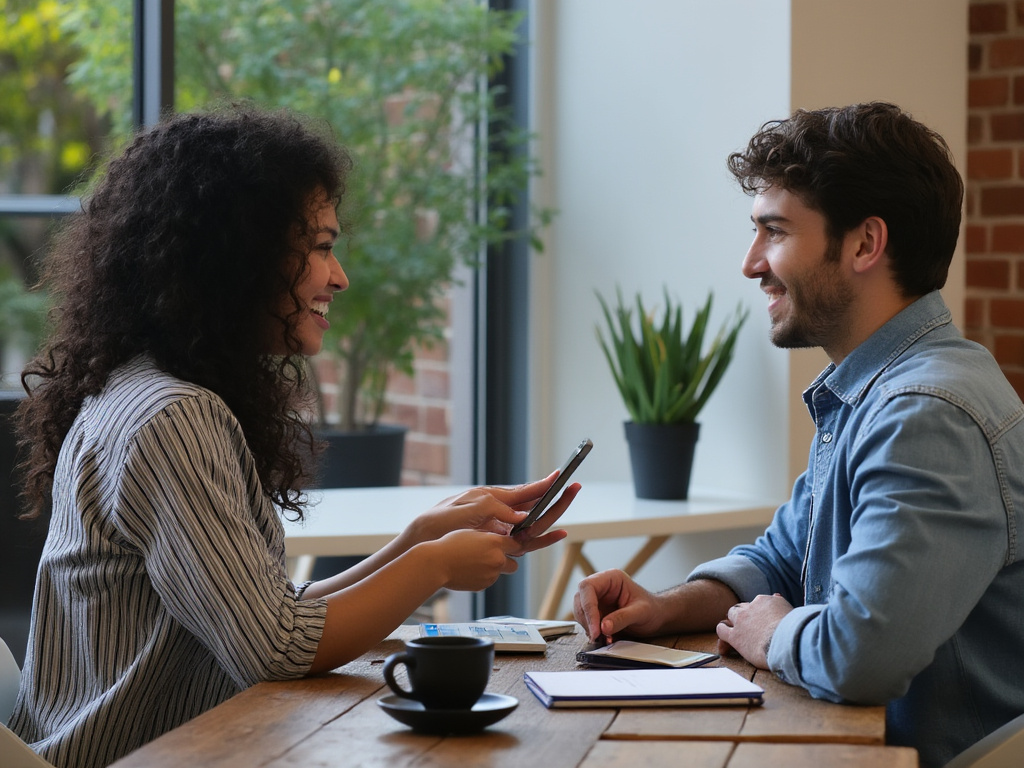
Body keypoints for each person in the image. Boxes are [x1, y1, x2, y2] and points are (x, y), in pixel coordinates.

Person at [8, 105, 579, 768]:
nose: (339, 277)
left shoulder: (146, 391)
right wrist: (436, 566)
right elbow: (275, 647)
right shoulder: (170, 418)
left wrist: (416, 540)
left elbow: (265, 618)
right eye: (321, 247)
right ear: (241, 254)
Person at [573, 102, 1024, 768]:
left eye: (775, 231)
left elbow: (859, 656)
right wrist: (667, 607)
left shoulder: (926, 414)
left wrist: (777, 629)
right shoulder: (872, 391)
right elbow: (788, 556)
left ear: (866, 244)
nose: (752, 263)